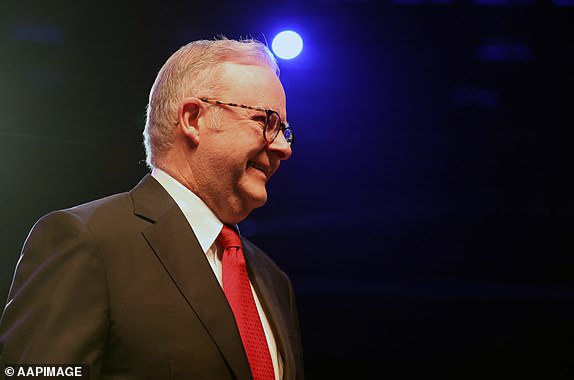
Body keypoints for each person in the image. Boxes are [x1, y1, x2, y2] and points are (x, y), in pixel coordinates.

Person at [0, 38, 304, 380]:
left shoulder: (273, 280)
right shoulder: (88, 241)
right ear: (193, 118)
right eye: (268, 121)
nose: (282, 148)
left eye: (285, 132)